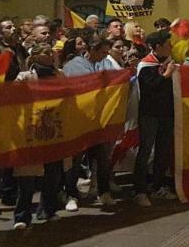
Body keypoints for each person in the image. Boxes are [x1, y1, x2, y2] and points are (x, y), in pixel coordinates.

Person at [12, 44, 66, 230]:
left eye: (52, 52)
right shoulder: (24, 77)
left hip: (54, 128)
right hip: (31, 129)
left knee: (52, 173)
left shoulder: (60, 74)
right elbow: (13, 101)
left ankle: (48, 210)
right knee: (27, 177)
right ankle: (22, 215)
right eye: (46, 53)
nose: (51, 55)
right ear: (34, 57)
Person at [62, 38, 115, 208]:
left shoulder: (103, 63)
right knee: (76, 160)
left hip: (98, 119)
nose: (105, 56)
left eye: (107, 53)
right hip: (79, 119)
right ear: (92, 49)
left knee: (102, 158)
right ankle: (71, 194)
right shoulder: (74, 65)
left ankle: (103, 191)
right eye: (102, 52)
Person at [133, 30, 178, 207]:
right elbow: (149, 89)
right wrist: (166, 76)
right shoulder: (145, 65)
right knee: (145, 152)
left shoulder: (170, 63)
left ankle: (158, 186)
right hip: (149, 115)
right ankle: (140, 191)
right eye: (168, 44)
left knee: (163, 151)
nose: (171, 47)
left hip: (167, 114)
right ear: (158, 47)